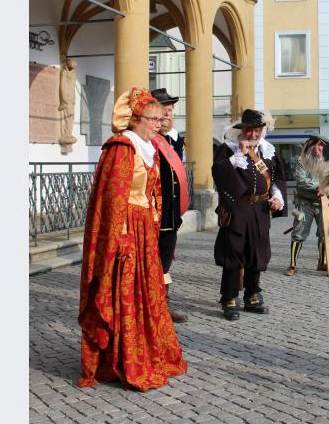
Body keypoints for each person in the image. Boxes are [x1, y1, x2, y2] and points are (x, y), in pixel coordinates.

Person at [78, 87, 187, 390]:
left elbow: (151, 194)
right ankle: (122, 359)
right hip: (126, 232)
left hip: (143, 230)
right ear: (137, 119)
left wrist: (151, 225)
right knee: (124, 292)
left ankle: (143, 350)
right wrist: (121, 238)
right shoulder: (122, 148)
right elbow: (113, 201)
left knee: (145, 292)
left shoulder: (145, 146)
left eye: (159, 118)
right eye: (154, 118)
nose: (159, 122)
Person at [212, 109, 287, 320]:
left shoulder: (268, 150)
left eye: (257, 130)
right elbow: (219, 173)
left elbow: (275, 178)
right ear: (242, 130)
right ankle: (229, 297)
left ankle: (252, 294)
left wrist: (278, 198)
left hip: (260, 209)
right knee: (234, 252)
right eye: (250, 131)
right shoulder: (229, 150)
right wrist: (240, 155)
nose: (253, 135)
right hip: (237, 208)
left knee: (257, 251)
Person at [150, 88, 188, 323]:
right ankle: (150, 305)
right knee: (150, 261)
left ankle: (163, 303)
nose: (168, 112)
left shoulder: (174, 139)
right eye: (164, 107)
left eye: (171, 108)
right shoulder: (148, 139)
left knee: (165, 261)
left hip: (170, 215)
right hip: (153, 212)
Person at [286, 134, 329, 276]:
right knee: (298, 233)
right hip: (304, 203)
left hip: (323, 203)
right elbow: (302, 181)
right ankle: (292, 265)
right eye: (314, 144)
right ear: (309, 146)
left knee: (324, 234)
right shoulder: (301, 160)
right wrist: (321, 186)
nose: (317, 147)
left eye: (321, 145)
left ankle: (322, 263)